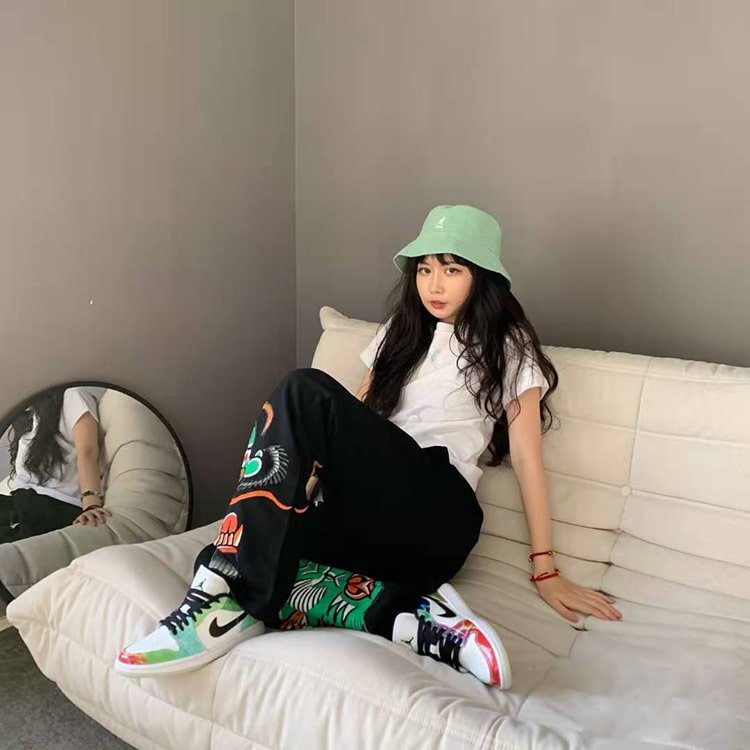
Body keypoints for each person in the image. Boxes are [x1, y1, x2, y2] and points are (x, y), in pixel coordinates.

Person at [115, 204, 621, 689]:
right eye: (424, 270)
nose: (434, 285)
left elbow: (528, 459)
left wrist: (546, 568)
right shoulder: (400, 334)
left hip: (436, 513)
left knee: (303, 390)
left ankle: (222, 596)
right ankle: (408, 618)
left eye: (451, 270)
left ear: (481, 277)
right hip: (373, 531)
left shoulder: (508, 345)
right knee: (236, 553)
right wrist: (299, 499)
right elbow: (352, 423)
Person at [0, 386, 110, 543]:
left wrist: (91, 504)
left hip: (53, 506)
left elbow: (88, 452)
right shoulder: (29, 417)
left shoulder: (72, 396)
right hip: (21, 501)